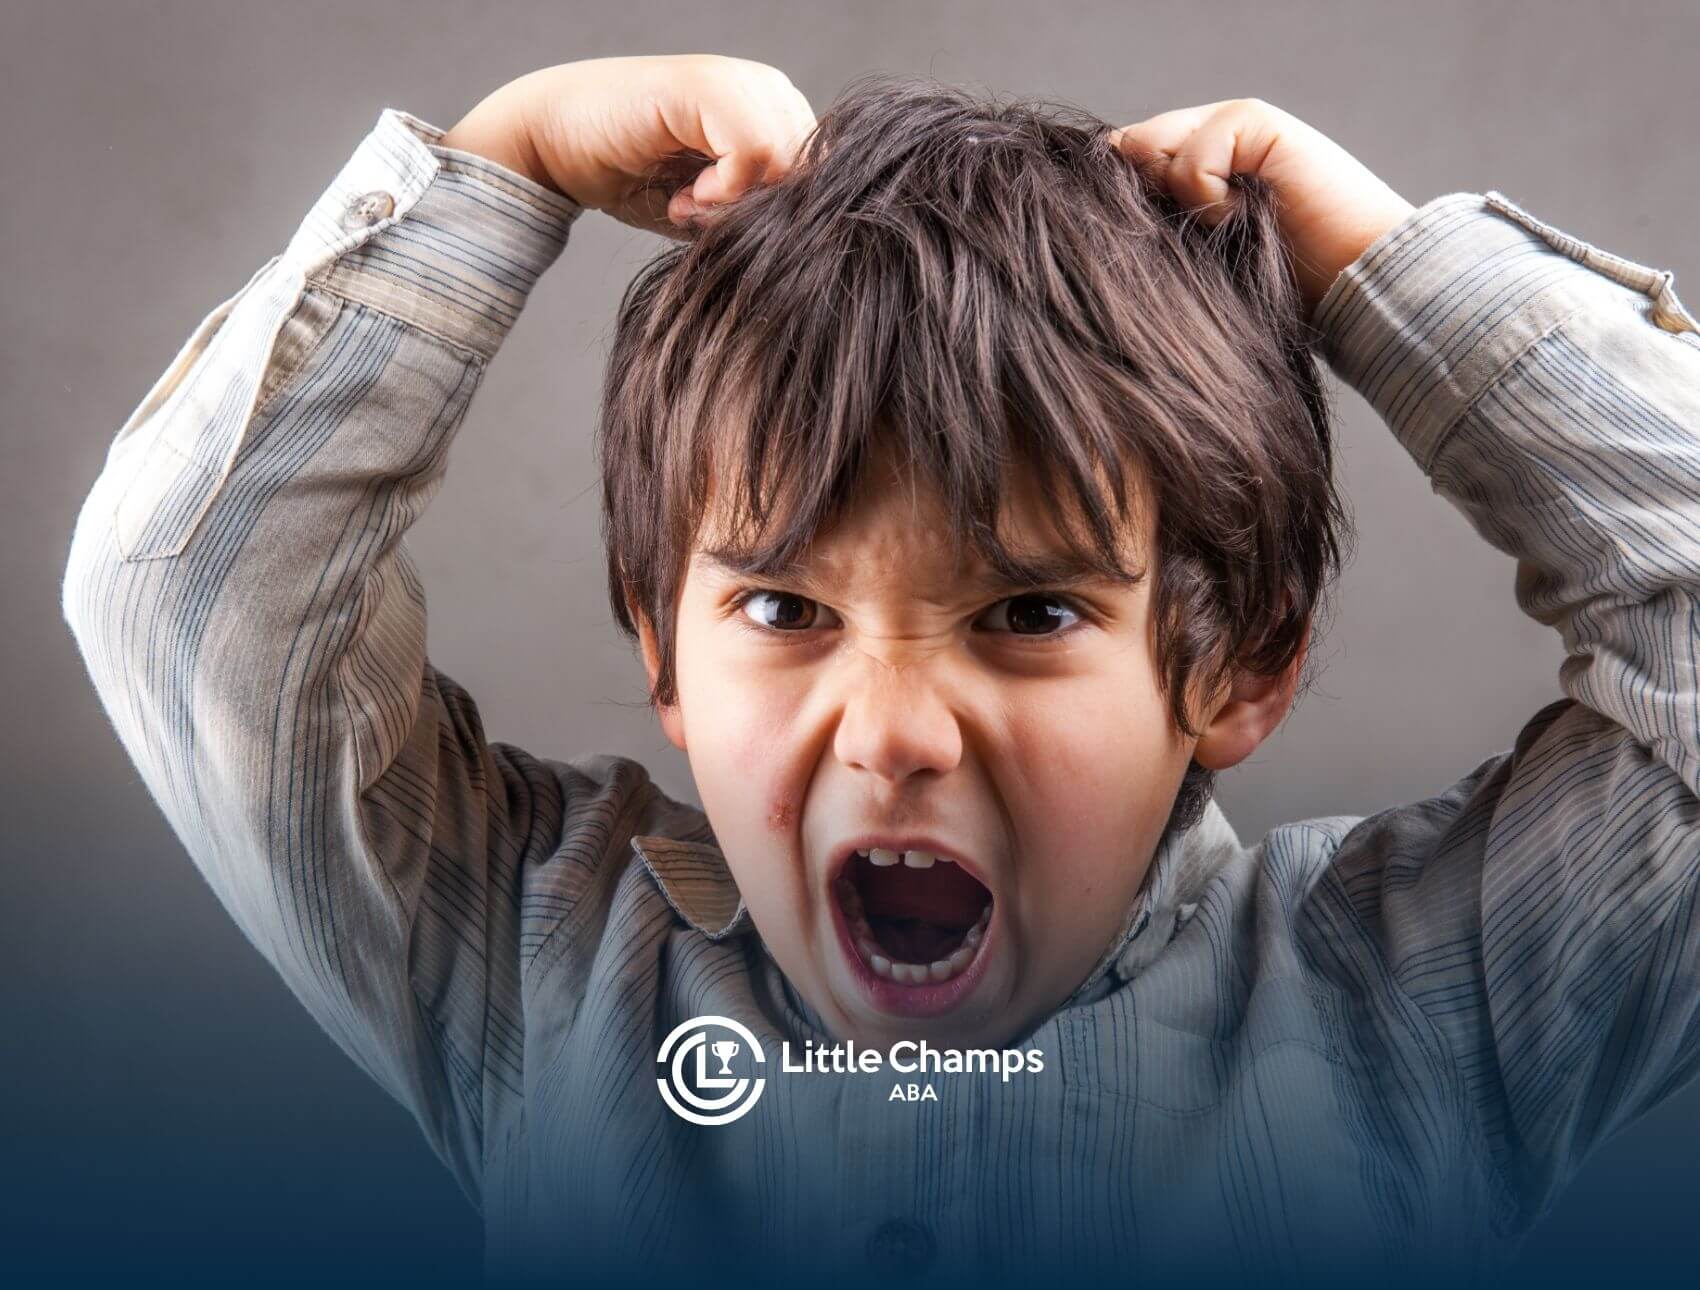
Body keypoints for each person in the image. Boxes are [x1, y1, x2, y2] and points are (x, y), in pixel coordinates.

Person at [62, 54, 1700, 1287]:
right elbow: (188, 595)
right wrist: (503, 167)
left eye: (1029, 614)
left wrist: (1384, 273)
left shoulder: (1421, 1008)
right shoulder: (539, 969)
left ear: (1236, 661)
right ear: (664, 652)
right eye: (783, 611)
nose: (893, 735)